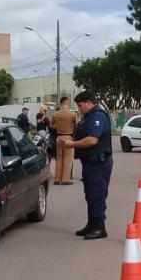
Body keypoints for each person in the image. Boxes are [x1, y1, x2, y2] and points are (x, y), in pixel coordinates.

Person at [58, 90, 113, 240]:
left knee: (97, 194)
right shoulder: (88, 117)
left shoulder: (98, 116)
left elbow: (92, 140)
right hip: (90, 162)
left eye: (81, 105)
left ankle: (100, 228)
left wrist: (71, 144)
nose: (79, 108)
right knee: (90, 194)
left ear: (89, 102)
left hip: (98, 162)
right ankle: (92, 224)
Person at [51, 96, 77, 185]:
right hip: (68, 137)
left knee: (58, 158)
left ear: (61, 103)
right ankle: (66, 179)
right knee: (68, 158)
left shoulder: (55, 114)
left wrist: (59, 126)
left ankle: (57, 179)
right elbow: (77, 124)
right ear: (66, 103)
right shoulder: (72, 114)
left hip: (59, 137)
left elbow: (52, 125)